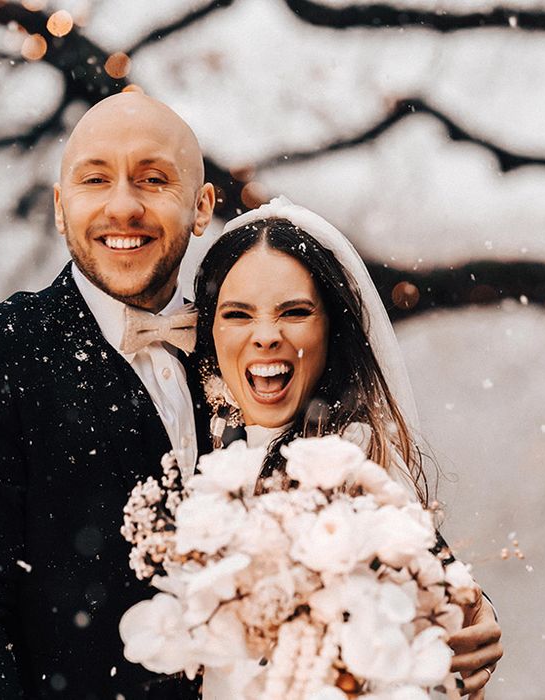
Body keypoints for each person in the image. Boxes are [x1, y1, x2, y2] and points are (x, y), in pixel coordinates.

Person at [0, 93, 215, 698]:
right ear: (59, 206)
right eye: (95, 179)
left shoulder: (246, 355)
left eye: (153, 179)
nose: (122, 206)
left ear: (201, 207)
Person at [192, 197, 503, 699]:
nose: (266, 336)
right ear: (210, 329)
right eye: (237, 314)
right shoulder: (186, 448)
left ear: (331, 329)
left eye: (294, 312)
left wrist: (463, 607)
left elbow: (433, 641)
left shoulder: (359, 466)